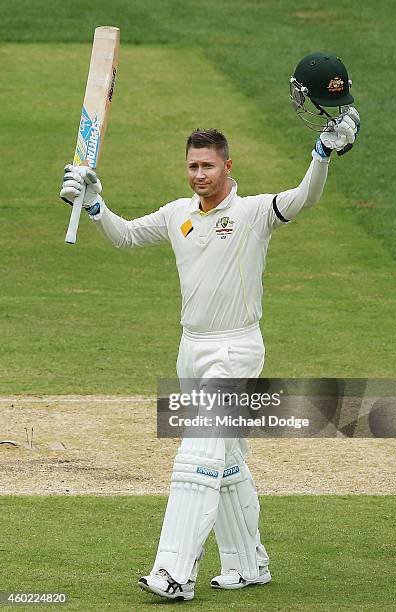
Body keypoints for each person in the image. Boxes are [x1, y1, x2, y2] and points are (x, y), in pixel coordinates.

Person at [60, 89, 359, 600]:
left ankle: (174, 572)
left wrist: (321, 155)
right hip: (191, 349)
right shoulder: (178, 213)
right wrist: (94, 205)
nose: (199, 174)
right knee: (226, 460)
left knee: (196, 453)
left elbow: (304, 197)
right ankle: (249, 564)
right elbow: (127, 236)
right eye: (193, 166)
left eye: (208, 166)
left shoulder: (254, 213)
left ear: (227, 165)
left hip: (236, 349)